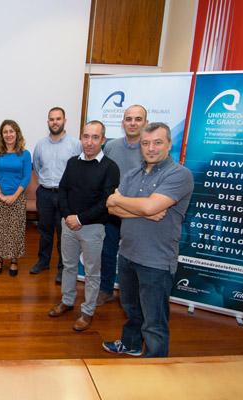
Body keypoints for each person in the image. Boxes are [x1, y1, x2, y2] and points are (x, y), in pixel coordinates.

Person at [103, 122, 193, 357]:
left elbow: (150, 205)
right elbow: (111, 207)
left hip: (156, 261)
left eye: (157, 142)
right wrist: (143, 210)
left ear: (169, 144)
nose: (151, 148)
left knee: (154, 322)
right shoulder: (133, 174)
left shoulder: (180, 174)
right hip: (128, 253)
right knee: (132, 310)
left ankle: (155, 369)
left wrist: (133, 204)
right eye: (145, 143)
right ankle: (131, 344)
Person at [48, 121, 119, 332]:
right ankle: (67, 301)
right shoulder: (72, 162)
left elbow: (106, 202)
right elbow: (63, 190)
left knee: (91, 272)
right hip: (68, 224)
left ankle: (87, 312)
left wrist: (79, 219)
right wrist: (68, 216)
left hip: (93, 228)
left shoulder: (110, 167)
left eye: (95, 137)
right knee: (68, 266)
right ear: (81, 138)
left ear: (103, 140)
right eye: (86, 136)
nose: (89, 142)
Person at [97, 105, 147, 305]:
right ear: (123, 122)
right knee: (108, 253)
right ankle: (106, 289)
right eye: (128, 119)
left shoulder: (150, 149)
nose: (133, 123)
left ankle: (134, 297)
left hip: (138, 214)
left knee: (135, 258)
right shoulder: (111, 146)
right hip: (112, 211)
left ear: (145, 122)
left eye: (138, 119)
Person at [29, 107, 80, 284]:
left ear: (64, 121)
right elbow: (36, 166)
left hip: (65, 195)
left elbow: (80, 169)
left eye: (58, 119)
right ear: (48, 122)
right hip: (44, 193)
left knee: (63, 233)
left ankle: (62, 267)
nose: (55, 122)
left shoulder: (75, 144)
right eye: (51, 119)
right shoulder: (41, 144)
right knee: (44, 231)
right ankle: (43, 262)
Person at [0, 120, 32, 276]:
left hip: (18, 197)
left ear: (17, 133)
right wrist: (0, 195)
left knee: (15, 229)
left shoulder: (25, 154)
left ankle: (14, 260)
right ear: (2, 135)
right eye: (5, 132)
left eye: (11, 131)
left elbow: (26, 177)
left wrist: (14, 196)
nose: (8, 135)